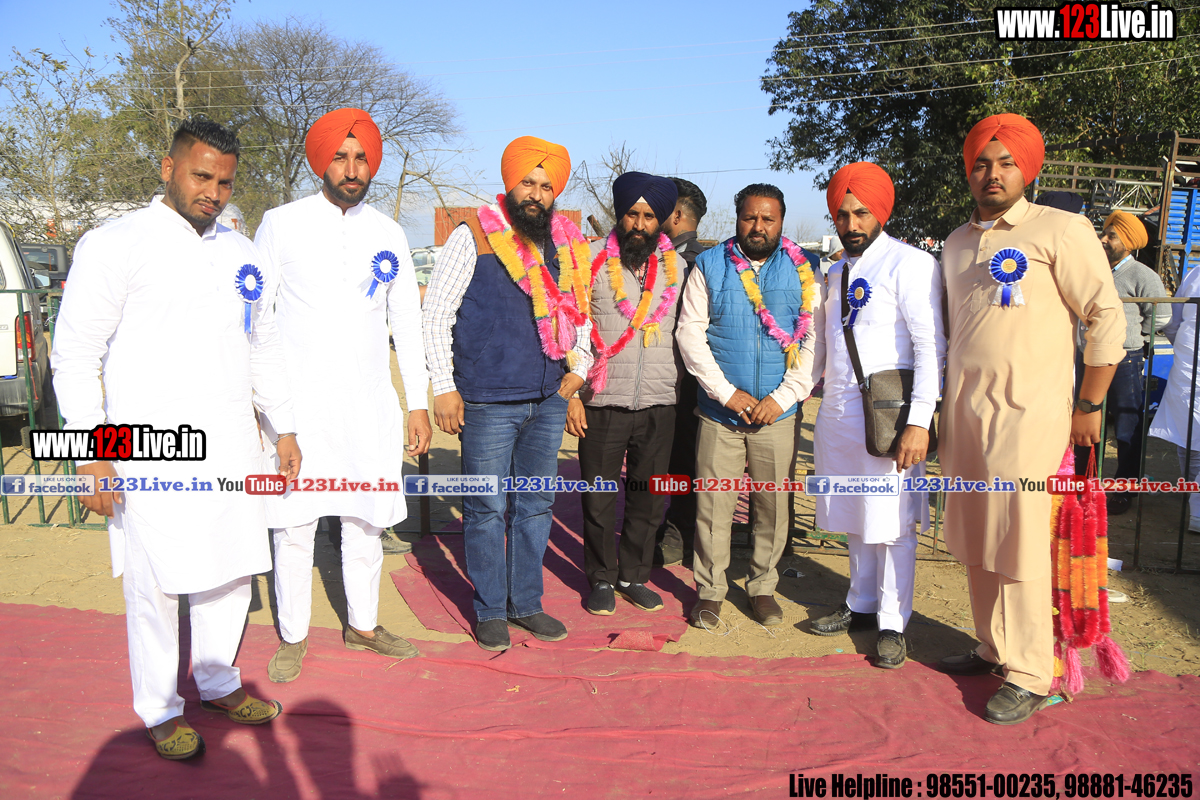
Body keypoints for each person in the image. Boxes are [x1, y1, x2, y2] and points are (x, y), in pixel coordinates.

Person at [52, 117, 298, 760]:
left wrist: (284, 425)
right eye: (201, 176)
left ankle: (218, 682)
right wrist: (89, 454)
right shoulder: (115, 244)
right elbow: (75, 355)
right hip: (148, 449)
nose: (213, 192)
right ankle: (160, 708)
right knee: (156, 585)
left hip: (233, 444)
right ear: (168, 169)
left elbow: (263, 345)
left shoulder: (243, 253)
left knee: (231, 570)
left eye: (225, 182)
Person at [939, 114, 1124, 724]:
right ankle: (994, 647)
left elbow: (1105, 315)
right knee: (976, 532)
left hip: (1031, 415)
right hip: (966, 415)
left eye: (1005, 163)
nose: (991, 174)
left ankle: (1032, 670)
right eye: (981, 163)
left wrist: (1089, 405)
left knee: (1019, 535)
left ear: (1028, 170)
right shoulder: (955, 242)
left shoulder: (1061, 229)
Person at [255, 108, 431, 683]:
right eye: (340, 157)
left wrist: (417, 401)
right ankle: (293, 636)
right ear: (321, 162)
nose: (352, 169)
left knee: (365, 521)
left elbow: (407, 322)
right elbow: (257, 318)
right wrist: (267, 406)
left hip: (366, 405)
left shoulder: (388, 232)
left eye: (361, 158)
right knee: (293, 525)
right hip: (297, 410)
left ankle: (363, 625)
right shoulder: (281, 223)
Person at [423, 136, 593, 651]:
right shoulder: (473, 234)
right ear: (509, 184)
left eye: (546, 186)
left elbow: (580, 313)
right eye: (527, 183)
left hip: (548, 399)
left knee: (535, 504)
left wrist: (581, 367)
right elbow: (437, 313)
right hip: (488, 399)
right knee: (485, 507)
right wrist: (444, 386)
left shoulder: (565, 243)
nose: (536, 194)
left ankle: (526, 604)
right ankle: (491, 609)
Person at [806, 163, 946, 670]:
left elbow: (931, 348)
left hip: (891, 417)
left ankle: (893, 622)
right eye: (842, 215)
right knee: (855, 516)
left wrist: (920, 421)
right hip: (839, 414)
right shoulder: (834, 271)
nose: (851, 224)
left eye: (861, 213)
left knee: (893, 523)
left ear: (881, 212)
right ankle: (861, 603)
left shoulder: (912, 263)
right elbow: (823, 349)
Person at [676, 183, 820, 629]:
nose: (758, 227)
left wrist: (782, 398)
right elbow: (690, 333)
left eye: (767, 219)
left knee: (772, 508)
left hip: (777, 415)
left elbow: (814, 340)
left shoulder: (805, 267)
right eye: (749, 217)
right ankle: (710, 591)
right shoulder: (709, 264)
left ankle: (762, 587)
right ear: (737, 218)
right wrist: (726, 393)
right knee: (713, 508)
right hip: (721, 413)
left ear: (781, 221)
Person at [571, 172, 680, 615]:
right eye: (632, 214)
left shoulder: (678, 267)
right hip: (603, 400)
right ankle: (600, 578)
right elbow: (572, 326)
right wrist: (574, 392)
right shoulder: (590, 259)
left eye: (649, 216)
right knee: (598, 497)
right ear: (620, 215)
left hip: (659, 399)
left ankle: (633, 575)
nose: (639, 224)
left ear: (662, 220)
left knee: (648, 497)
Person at [1088, 211, 1166, 515]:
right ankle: (1087, 485)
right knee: (1088, 420)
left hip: (1125, 358)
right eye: (1104, 233)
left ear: (1129, 243)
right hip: (1091, 357)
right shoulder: (1094, 270)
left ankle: (1124, 490)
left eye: (1111, 236)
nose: (1103, 239)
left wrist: (1134, 337)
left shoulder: (1143, 276)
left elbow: (1161, 315)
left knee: (1126, 425)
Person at [655, 178, 709, 567]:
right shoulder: (678, 256)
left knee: (683, 459)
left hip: (684, 380)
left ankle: (680, 532)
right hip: (675, 378)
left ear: (675, 214)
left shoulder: (691, 262)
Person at [1149, 261, 1200, 533]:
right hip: (1190, 361)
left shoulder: (1195, 273)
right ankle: (1195, 503)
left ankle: (1193, 497)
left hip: (1189, 358)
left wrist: (1181, 344)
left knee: (1189, 431)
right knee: (1188, 430)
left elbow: (1173, 319)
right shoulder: (1195, 272)